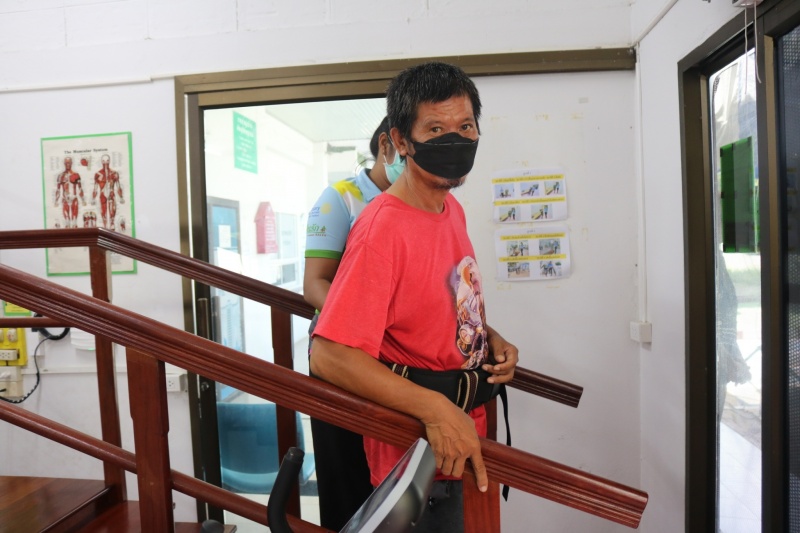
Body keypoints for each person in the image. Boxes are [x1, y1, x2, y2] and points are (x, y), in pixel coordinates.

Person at [310, 62, 519, 531]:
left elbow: (435, 302)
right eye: (436, 129)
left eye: (465, 126)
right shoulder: (382, 229)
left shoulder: (451, 209)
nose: (455, 140)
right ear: (401, 141)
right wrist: (435, 409)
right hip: (418, 453)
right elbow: (330, 355)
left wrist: (487, 335)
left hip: (465, 432)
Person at [303, 116, 401, 531]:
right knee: (347, 480)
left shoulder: (416, 203)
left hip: (396, 363)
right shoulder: (341, 199)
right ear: (386, 146)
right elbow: (314, 284)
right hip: (343, 359)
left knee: (395, 484)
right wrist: (370, 324)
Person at [92, 154, 125, 230]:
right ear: (101, 161)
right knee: (103, 210)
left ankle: (112, 223)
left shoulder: (114, 173)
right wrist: (93, 198)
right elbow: (95, 188)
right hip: (102, 194)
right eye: (104, 161)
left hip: (111, 193)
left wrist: (121, 197)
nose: (105, 163)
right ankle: (104, 225)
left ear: (109, 161)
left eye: (107, 161)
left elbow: (118, 186)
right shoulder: (98, 174)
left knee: (112, 209)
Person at [54, 156, 86, 228]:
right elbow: (58, 189)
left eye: (69, 163)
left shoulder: (76, 175)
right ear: (64, 163)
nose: (67, 164)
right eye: (66, 163)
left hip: (74, 198)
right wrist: (56, 201)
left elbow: (80, 188)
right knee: (67, 223)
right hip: (65, 199)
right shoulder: (60, 176)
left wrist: (83, 200)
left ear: (71, 163)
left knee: (74, 223)